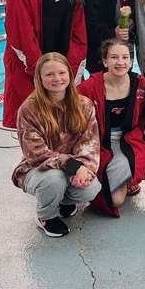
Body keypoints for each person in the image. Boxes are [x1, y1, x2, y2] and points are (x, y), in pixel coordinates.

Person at [12, 53, 101, 238]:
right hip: (35, 169)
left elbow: (89, 145)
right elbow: (36, 154)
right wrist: (71, 166)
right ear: (39, 78)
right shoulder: (29, 110)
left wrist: (83, 170)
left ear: (69, 74)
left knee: (90, 189)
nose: (57, 79)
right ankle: (46, 216)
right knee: (54, 180)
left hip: (72, 167)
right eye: (50, 74)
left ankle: (63, 202)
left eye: (61, 73)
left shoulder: (84, 105)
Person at [3, 0, 87, 128]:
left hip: (62, 71)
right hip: (30, 69)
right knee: (33, 126)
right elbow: (20, 33)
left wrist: (69, 72)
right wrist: (40, 72)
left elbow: (79, 35)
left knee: (65, 125)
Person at [77, 39, 145, 217]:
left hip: (129, 140)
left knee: (115, 200)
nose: (120, 62)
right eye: (114, 57)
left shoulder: (142, 85)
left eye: (125, 57)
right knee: (109, 197)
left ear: (131, 61)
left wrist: (138, 133)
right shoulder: (88, 88)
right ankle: (123, 180)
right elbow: (74, 120)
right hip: (97, 143)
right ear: (105, 61)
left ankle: (127, 178)